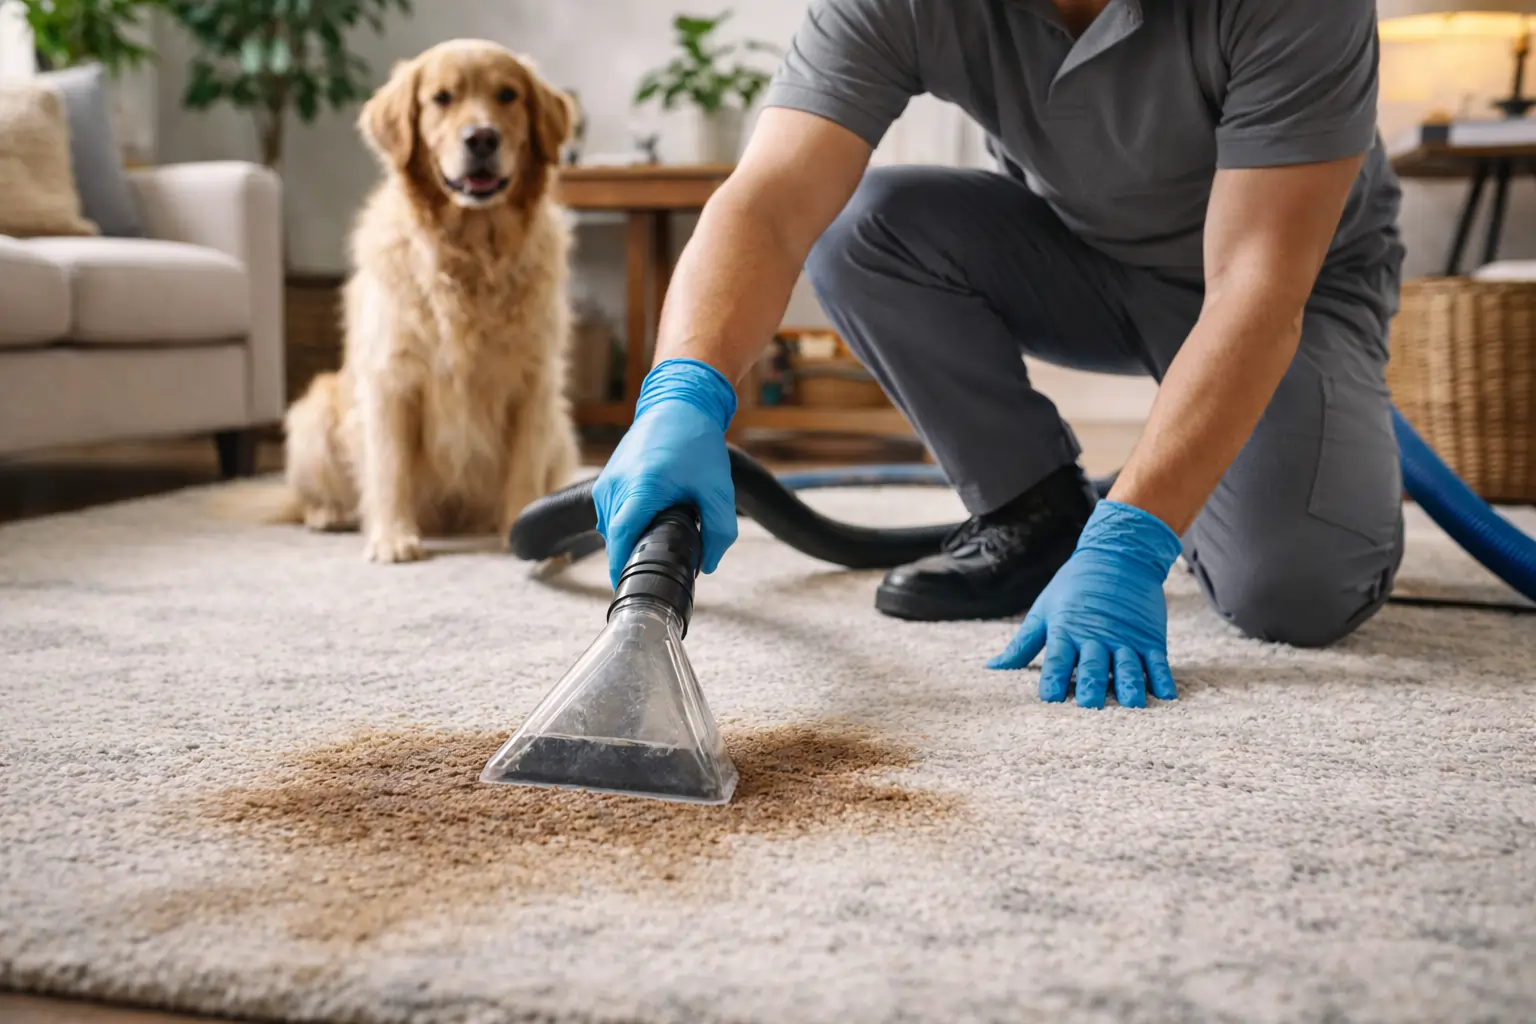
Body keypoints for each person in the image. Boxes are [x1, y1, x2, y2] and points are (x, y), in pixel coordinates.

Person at [591, 0, 1407, 710]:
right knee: (861, 229)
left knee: (1295, 591)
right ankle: (1036, 515)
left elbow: (1256, 287)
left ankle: (1147, 504)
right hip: (1086, 260)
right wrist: (682, 394)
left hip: (1289, 288)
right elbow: (770, 203)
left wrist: (1133, 537)